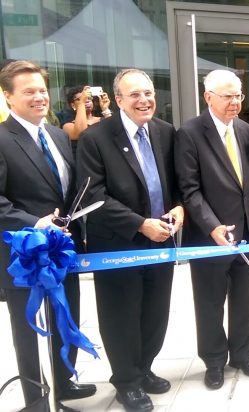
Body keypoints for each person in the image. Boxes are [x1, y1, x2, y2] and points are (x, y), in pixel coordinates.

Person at [77, 68, 183, 412]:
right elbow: (92, 196)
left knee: (155, 312)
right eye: (134, 94)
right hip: (119, 245)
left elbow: (178, 183)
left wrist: (179, 209)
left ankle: (144, 368)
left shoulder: (166, 133)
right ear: (118, 100)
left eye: (149, 93)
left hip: (161, 243)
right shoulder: (96, 138)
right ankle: (126, 382)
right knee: (121, 316)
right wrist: (140, 224)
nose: (144, 100)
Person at [0, 60, 96, 411]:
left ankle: (63, 385)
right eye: (29, 92)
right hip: (25, 258)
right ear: (9, 97)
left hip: (62, 252)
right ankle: (38, 402)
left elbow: (64, 192)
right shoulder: (1, 139)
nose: (39, 97)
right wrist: (37, 223)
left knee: (62, 320)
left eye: (42, 90)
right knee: (30, 334)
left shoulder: (57, 134)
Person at [175, 69, 249, 390]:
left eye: (239, 95)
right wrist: (212, 226)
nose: (235, 103)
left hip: (244, 234)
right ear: (207, 97)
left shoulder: (244, 130)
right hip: (208, 235)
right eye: (227, 96)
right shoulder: (190, 133)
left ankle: (241, 353)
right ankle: (214, 361)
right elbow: (189, 189)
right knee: (210, 302)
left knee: (244, 298)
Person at [62, 85, 111, 157]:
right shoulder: (68, 126)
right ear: (73, 105)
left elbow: (115, 132)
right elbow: (82, 134)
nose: (86, 100)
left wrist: (105, 109)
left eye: (89, 98)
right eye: (79, 99)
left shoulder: (102, 120)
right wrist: (82, 103)